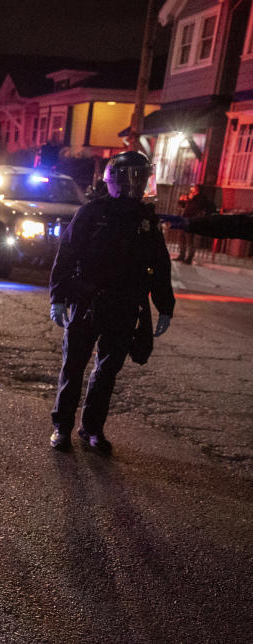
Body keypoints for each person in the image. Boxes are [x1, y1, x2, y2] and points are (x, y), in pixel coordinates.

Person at [48, 150, 174, 454]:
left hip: (125, 305)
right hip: (88, 300)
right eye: (131, 176)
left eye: (142, 176)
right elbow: (67, 254)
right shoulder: (93, 213)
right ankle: (62, 428)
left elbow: (158, 265)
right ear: (114, 178)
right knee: (74, 367)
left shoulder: (145, 220)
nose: (137, 183)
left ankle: (92, 429)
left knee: (107, 372)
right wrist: (59, 297)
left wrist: (164, 305)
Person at [175, 184, 215, 264]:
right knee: (181, 237)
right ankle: (181, 255)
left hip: (193, 220)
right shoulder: (190, 196)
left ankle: (189, 258)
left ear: (196, 189)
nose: (190, 188)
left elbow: (199, 208)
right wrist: (182, 200)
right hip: (185, 218)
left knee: (190, 239)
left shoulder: (200, 198)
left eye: (192, 187)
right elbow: (183, 206)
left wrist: (191, 199)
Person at [162, 212, 253, 241]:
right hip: (223, 228)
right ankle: (164, 222)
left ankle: (163, 221)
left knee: (187, 223)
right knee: (187, 224)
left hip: (222, 225)